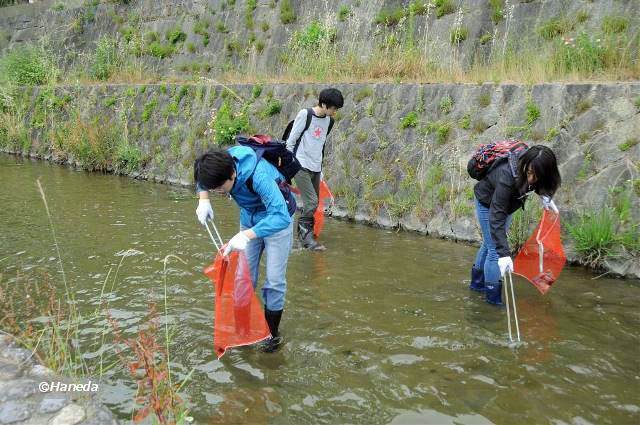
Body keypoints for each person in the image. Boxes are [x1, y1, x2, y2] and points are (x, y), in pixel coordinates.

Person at [194, 146, 294, 352]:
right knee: (242, 280)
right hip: (249, 218)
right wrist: (203, 199)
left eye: (220, 188)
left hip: (277, 221)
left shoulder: (259, 175)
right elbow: (202, 175)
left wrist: (246, 235)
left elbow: (281, 216)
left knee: (274, 282)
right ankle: (243, 333)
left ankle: (272, 337)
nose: (218, 193)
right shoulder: (219, 163)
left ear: (232, 175)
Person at [469, 145, 561, 305]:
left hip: (509, 204)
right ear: (525, 165)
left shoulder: (537, 170)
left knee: (489, 244)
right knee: (495, 251)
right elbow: (496, 216)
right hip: (487, 202)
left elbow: (539, 183)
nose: (531, 179)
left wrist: (545, 195)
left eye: (537, 175)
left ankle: (476, 286)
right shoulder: (508, 174)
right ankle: (493, 301)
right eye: (529, 173)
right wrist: (504, 254)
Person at [284, 88, 344, 251]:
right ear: (324, 104)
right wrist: (291, 165)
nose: (335, 112)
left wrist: (320, 168)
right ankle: (306, 238)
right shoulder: (306, 115)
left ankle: (302, 234)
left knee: (315, 203)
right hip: (300, 164)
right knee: (311, 202)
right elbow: (291, 141)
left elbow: (320, 145)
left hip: (316, 166)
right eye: (333, 108)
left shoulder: (329, 121)